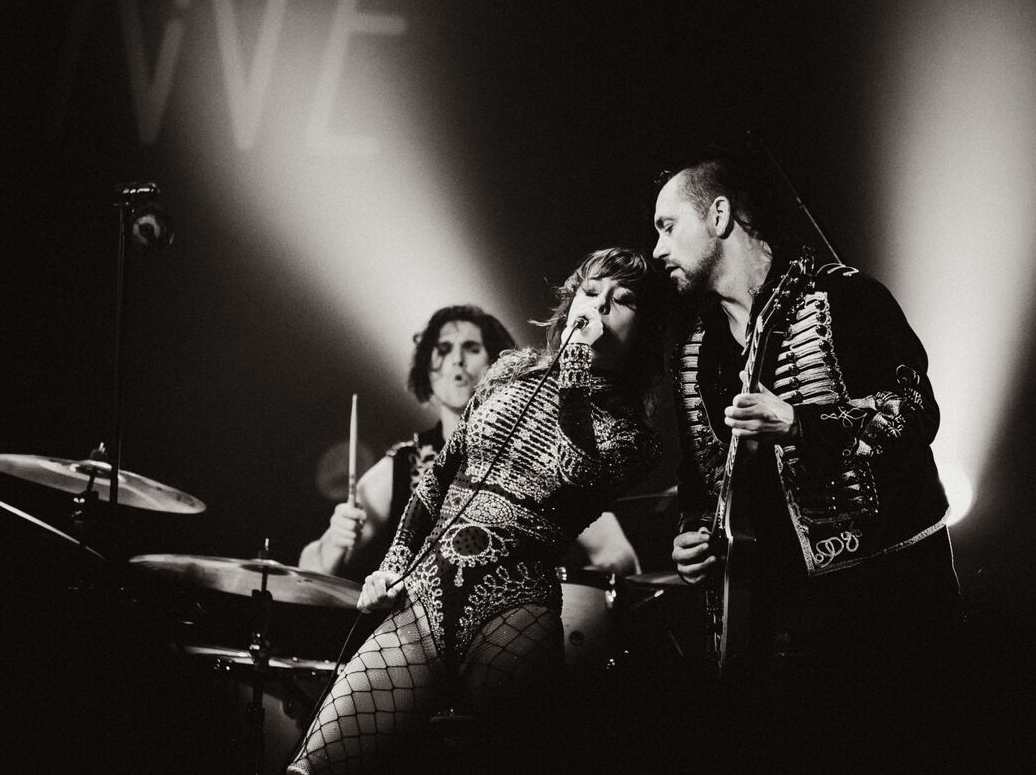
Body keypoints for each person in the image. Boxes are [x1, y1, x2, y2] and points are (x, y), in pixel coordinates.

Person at [288, 248, 665, 774]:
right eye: (590, 291)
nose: (598, 306)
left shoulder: (633, 437)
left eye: (620, 301)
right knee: (312, 766)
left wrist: (576, 366)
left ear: (643, 332)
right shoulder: (511, 370)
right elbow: (441, 473)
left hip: (513, 609)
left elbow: (576, 464)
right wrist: (393, 564)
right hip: (424, 598)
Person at [652, 154, 963, 769]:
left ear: (718, 216)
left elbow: (915, 410)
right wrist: (693, 536)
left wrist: (801, 423)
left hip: (890, 598)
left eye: (667, 226)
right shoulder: (695, 348)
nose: (657, 248)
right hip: (777, 616)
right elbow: (699, 481)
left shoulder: (845, 296)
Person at [298, 305, 640, 582]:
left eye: (472, 348)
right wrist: (334, 542)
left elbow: (619, 556)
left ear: (498, 362)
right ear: (427, 370)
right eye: (443, 349)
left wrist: (557, 591)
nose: (457, 360)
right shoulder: (401, 465)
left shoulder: (539, 452)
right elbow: (308, 570)